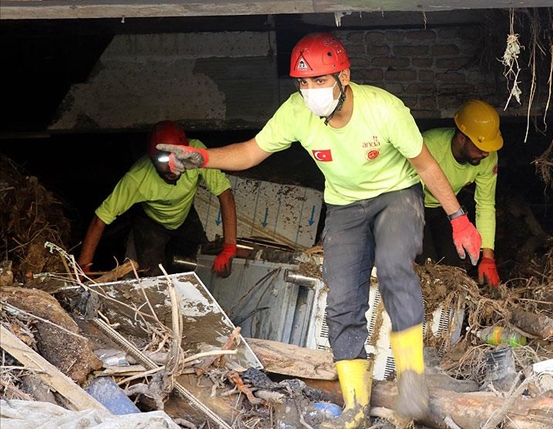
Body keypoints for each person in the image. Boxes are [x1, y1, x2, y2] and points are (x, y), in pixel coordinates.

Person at [157, 32, 482, 427]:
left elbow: (427, 164)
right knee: (343, 298)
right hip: (344, 205)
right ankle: (356, 407)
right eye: (303, 83)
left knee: (395, 265)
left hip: (396, 193)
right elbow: (250, 151)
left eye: (320, 81)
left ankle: (413, 381)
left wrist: (459, 219)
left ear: (344, 77)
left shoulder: (384, 109)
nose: (310, 91)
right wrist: (202, 158)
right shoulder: (296, 112)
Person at [78, 121, 238, 278]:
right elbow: (99, 220)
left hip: (184, 217)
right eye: (163, 161)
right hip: (151, 223)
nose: (172, 167)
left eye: (177, 158)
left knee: (198, 264)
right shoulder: (137, 179)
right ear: (152, 159)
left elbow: (225, 194)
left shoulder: (195, 156)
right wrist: (83, 270)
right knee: (153, 277)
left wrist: (229, 248)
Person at [420, 99, 502, 288]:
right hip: (414, 207)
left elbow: (485, 203)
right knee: (427, 267)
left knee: (452, 270)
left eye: (489, 149)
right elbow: (405, 195)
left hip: (447, 209)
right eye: (481, 147)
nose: (486, 154)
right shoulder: (429, 146)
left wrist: (488, 257)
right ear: (461, 138)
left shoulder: (487, 157)